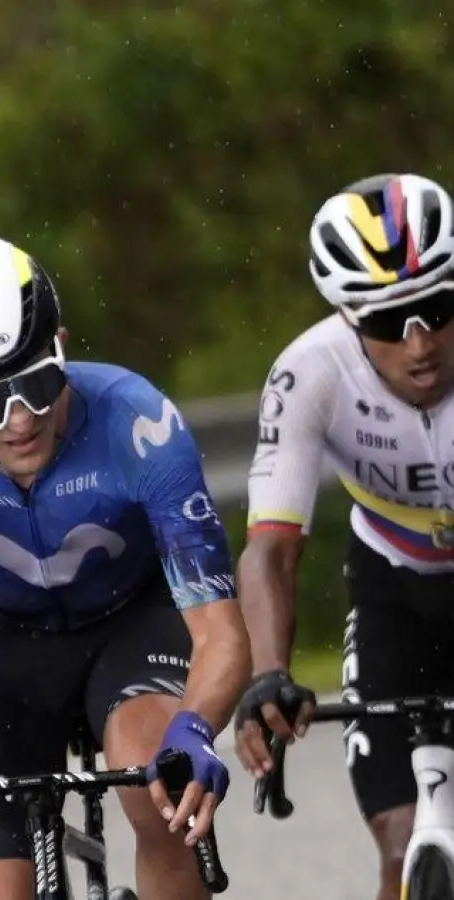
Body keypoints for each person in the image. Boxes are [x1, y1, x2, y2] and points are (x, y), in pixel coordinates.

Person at [0, 234, 251, 900]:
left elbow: (222, 632)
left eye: (39, 384)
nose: (20, 422)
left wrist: (195, 729)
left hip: (132, 625)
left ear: (62, 345)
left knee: (160, 792)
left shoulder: (138, 421)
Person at [232, 172, 454, 900]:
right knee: (402, 836)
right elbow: (272, 545)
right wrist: (269, 672)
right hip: (393, 585)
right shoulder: (310, 373)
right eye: (390, 323)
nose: (419, 342)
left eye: (436, 308)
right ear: (349, 317)